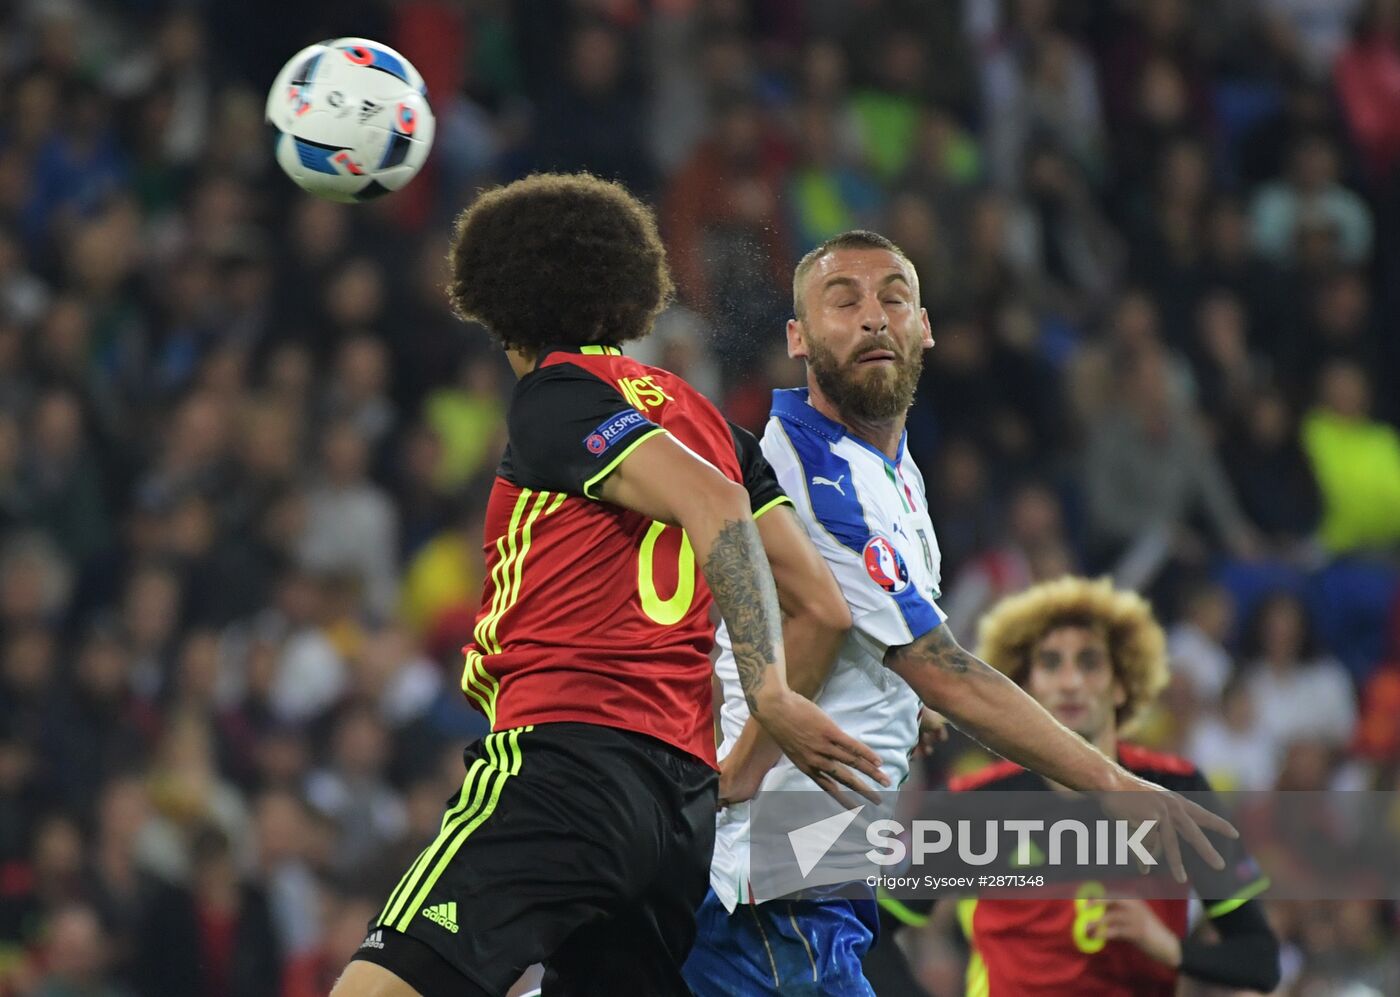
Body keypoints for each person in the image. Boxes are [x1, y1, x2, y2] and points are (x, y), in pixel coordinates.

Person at [333, 173, 885, 997]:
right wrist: (738, 765)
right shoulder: (711, 423)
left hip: (562, 766)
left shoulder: (557, 396)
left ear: (501, 297)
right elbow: (823, 607)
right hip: (674, 812)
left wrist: (765, 691)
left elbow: (715, 505)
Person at [683, 231, 1240, 996]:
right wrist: (1118, 785)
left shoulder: (890, 465)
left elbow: (882, 649)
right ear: (798, 338)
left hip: (803, 867)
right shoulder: (820, 475)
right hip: (778, 881)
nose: (874, 317)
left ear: (925, 326)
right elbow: (948, 671)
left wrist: (900, 701)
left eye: (894, 298)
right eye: (843, 300)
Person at [867, 577, 1279, 995]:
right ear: (1022, 689)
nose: (1070, 682)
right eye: (1050, 663)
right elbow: (870, 934)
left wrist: (1172, 948)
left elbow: (1260, 960)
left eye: (1089, 663)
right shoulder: (971, 806)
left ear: (1122, 683)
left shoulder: (1175, 789)